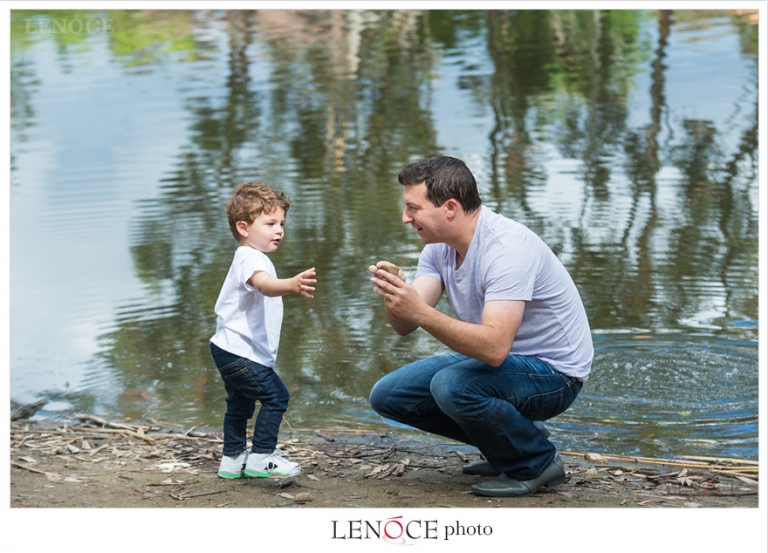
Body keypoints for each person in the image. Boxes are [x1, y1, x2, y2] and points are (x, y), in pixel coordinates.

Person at [368, 156, 593, 497]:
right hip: (502, 366)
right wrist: (396, 295)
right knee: (389, 395)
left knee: (452, 385)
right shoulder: (437, 248)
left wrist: (419, 311)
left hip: (555, 375)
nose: (405, 218)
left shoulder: (506, 249)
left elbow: (493, 347)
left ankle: (535, 461)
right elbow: (405, 325)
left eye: (414, 208)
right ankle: (510, 444)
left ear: (450, 207)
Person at [210, 181, 317, 479]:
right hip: (240, 351)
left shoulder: (247, 255)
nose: (279, 230)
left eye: (281, 223)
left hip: (229, 348)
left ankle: (232, 459)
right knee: (276, 397)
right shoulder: (251, 258)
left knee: (239, 404)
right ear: (244, 227)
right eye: (270, 223)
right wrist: (290, 285)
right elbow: (264, 285)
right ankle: (262, 457)